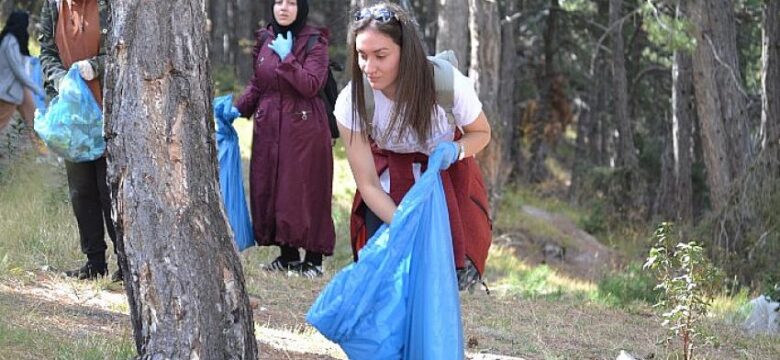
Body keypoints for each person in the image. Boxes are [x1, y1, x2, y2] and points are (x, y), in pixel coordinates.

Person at [335, 2, 493, 290]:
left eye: (380, 55)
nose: (369, 68)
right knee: (386, 277)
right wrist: (403, 223)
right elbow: (368, 183)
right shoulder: (352, 101)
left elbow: (481, 133)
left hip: (446, 175)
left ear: (405, 52)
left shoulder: (446, 84)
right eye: (362, 56)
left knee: (447, 279)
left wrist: (455, 150)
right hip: (387, 184)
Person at [230, 0, 335, 278]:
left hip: (304, 128)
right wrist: (236, 109)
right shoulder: (266, 38)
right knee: (274, 190)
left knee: (305, 190)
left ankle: (313, 259)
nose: (283, 8)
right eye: (278, 2)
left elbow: (311, 84)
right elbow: (258, 83)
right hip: (269, 127)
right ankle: (288, 256)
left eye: (290, 2)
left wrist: (288, 59)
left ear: (301, 7)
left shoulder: (315, 41)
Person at [39, 0, 120, 281]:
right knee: (81, 191)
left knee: (109, 189)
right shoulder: (53, 6)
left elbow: (123, 51)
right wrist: (60, 78)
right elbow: (46, 52)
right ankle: (95, 262)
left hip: (108, 111)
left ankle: (126, 263)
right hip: (72, 115)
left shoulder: (109, 6)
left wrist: (96, 65)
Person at [0, 10, 46, 150]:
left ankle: (42, 152)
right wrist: (37, 88)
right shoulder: (10, 42)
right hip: (8, 93)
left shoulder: (16, 40)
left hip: (19, 89)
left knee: (34, 120)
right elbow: (18, 71)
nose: (27, 28)